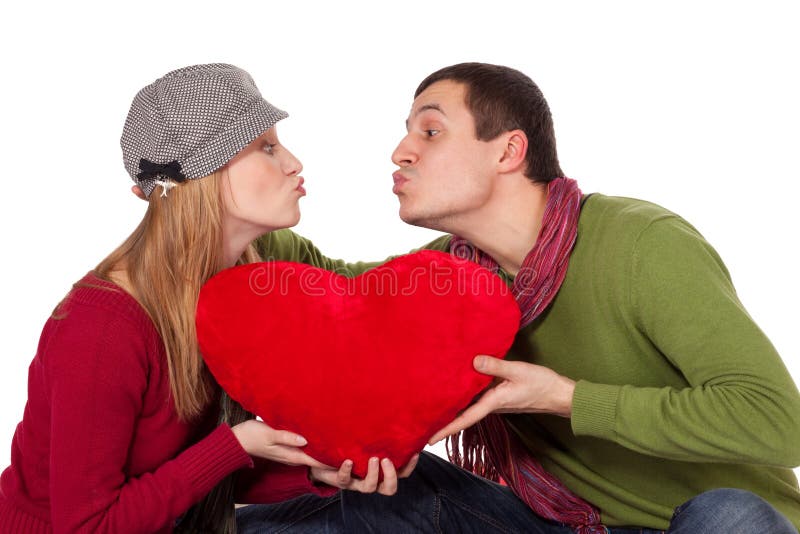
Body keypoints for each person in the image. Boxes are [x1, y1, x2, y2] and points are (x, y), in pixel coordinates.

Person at [245, 63, 800, 533]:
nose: (401, 151)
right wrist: (219, 190)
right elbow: (330, 285)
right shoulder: (450, 275)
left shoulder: (641, 244)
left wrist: (567, 398)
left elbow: (781, 424)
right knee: (379, 491)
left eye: (431, 131)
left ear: (509, 151)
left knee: (732, 515)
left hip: (694, 521)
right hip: (549, 521)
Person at [0, 63, 413, 534]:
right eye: (266, 147)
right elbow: (88, 526)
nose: (294, 162)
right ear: (203, 175)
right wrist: (234, 445)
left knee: (405, 499)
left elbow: (189, 477)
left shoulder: (238, 288)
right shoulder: (101, 330)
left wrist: (309, 469)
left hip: (182, 523)